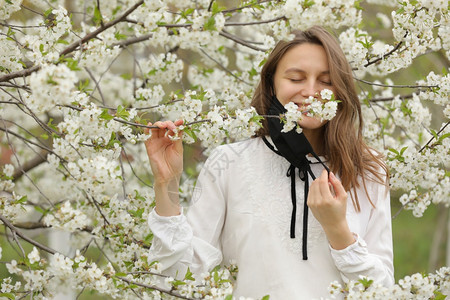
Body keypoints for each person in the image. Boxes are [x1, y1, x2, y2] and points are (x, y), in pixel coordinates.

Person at [144, 26, 394, 299]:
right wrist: (166, 184)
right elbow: (178, 278)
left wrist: (338, 231)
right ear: (272, 83)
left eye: (326, 80)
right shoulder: (230, 162)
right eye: (296, 78)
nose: (311, 91)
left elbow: (383, 292)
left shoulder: (368, 170)